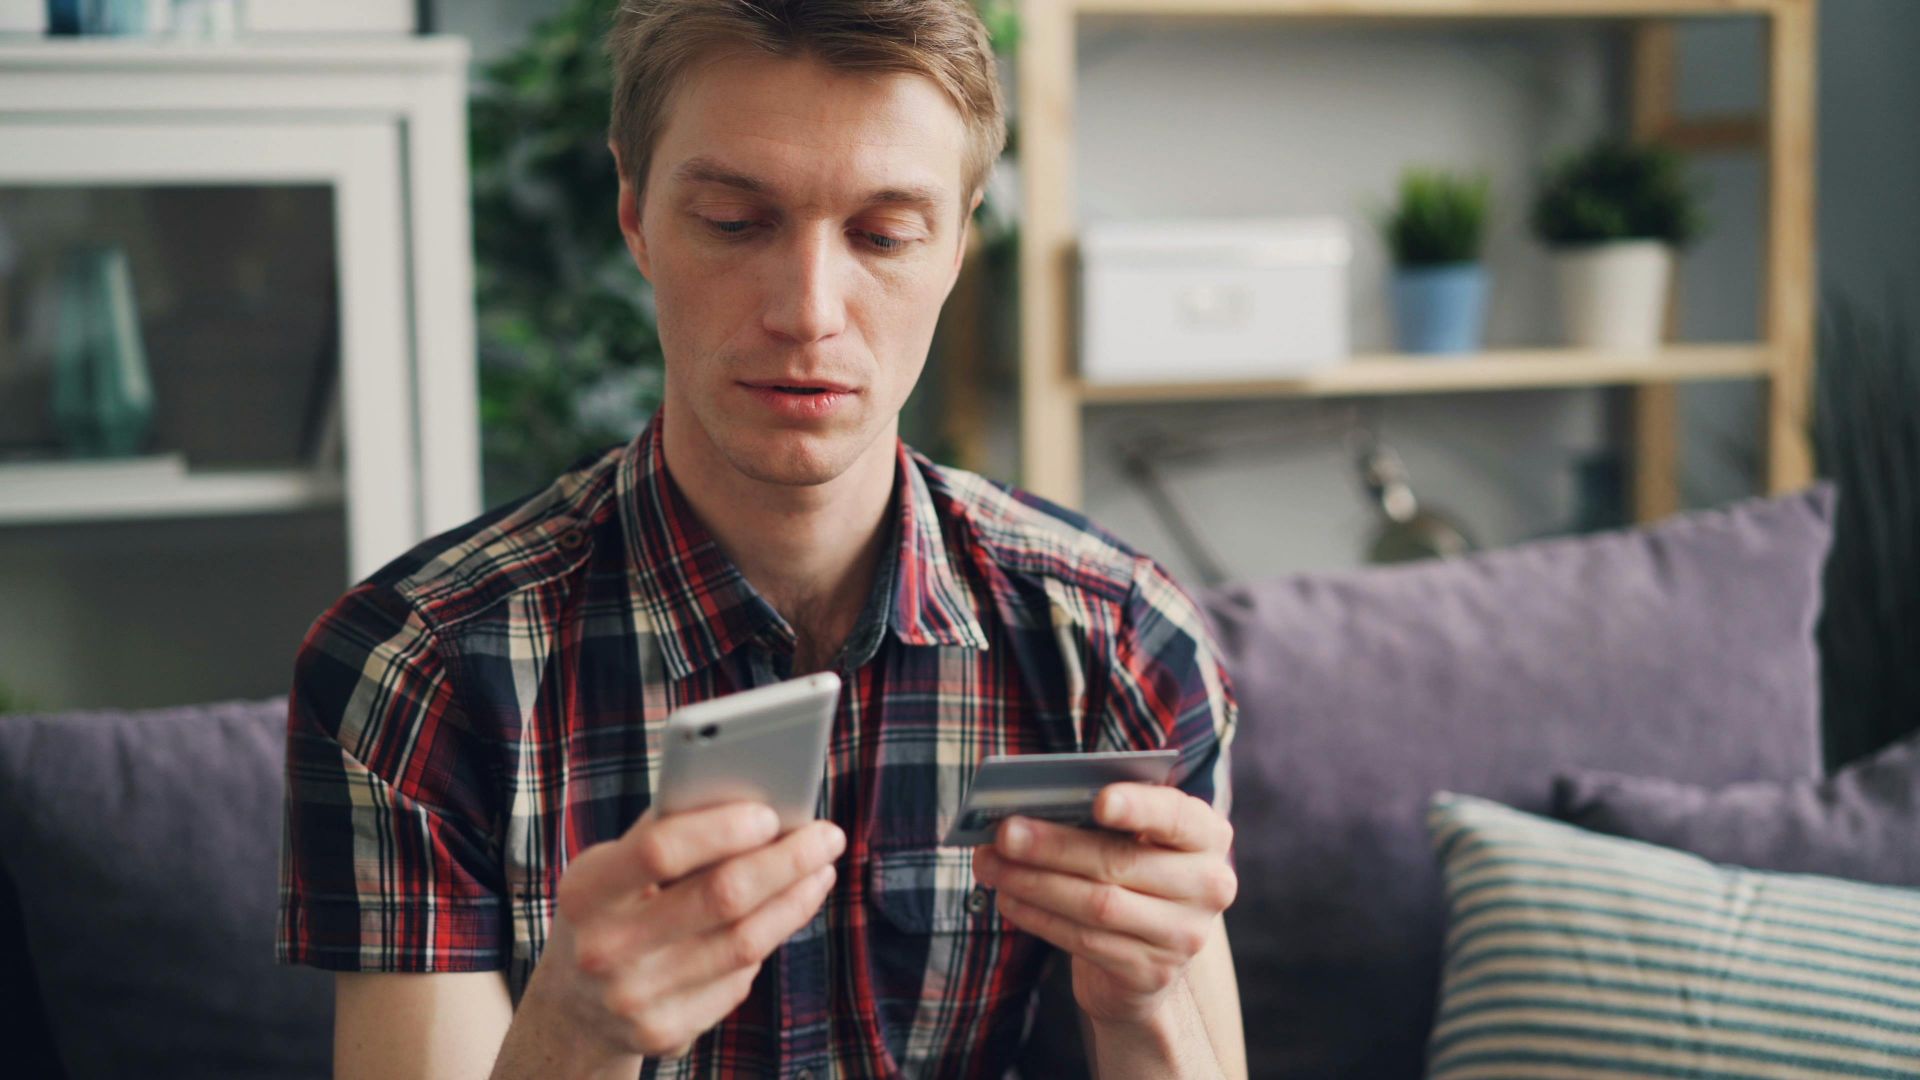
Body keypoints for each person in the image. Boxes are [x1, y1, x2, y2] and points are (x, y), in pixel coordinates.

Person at [276, 2, 1244, 1076]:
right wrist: (576, 1037)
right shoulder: (421, 669)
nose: (808, 310)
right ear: (637, 215)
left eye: (884, 235)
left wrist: (1145, 1000)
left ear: (961, 241)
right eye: (737, 222)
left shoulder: (1115, 640)